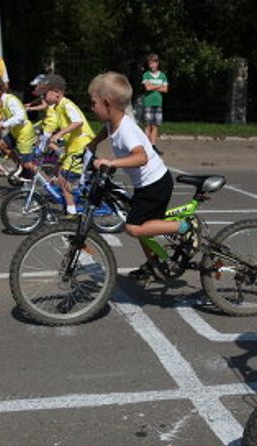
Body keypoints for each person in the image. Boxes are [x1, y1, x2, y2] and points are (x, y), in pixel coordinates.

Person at [86, 72, 190, 280]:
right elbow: (106, 131)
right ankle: (155, 264)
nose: (90, 107)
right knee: (144, 230)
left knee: (134, 228)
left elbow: (141, 157)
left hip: (155, 184)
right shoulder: (113, 121)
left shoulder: (126, 129)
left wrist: (112, 162)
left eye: (92, 102)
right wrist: (94, 142)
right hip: (147, 184)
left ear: (107, 103)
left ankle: (185, 227)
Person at [41, 74, 96, 216]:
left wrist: (59, 134)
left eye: (45, 94)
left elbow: (78, 122)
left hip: (82, 145)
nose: (43, 98)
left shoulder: (67, 104)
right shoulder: (58, 107)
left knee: (65, 179)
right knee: (59, 171)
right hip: (73, 146)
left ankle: (71, 212)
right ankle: (72, 200)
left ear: (57, 93)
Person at [0, 77, 36, 180]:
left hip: (24, 133)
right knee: (2, 144)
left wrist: (4, 125)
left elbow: (20, 116)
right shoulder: (3, 102)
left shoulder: (10, 100)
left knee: (28, 164)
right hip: (16, 131)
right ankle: (20, 166)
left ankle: (46, 181)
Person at [141, 54, 169, 155]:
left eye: (154, 63)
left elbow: (165, 89)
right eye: (150, 63)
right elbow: (147, 88)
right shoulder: (146, 75)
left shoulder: (162, 75)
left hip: (158, 103)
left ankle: (153, 146)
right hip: (148, 102)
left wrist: (153, 85)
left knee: (155, 125)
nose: (152, 65)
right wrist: (159, 85)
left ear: (157, 63)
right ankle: (146, 146)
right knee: (148, 125)